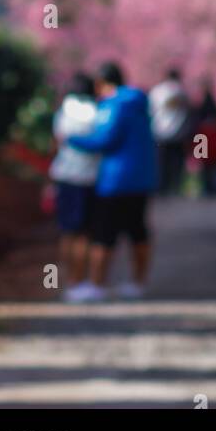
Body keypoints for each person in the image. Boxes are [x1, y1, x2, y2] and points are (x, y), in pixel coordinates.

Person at [66, 61, 158, 302]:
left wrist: (72, 139)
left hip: (116, 179)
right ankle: (139, 282)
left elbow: (104, 140)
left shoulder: (114, 105)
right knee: (138, 231)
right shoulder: (139, 102)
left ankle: (96, 284)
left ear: (102, 83)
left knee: (104, 233)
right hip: (142, 177)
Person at [48, 72, 101, 301]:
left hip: (64, 175)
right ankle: (79, 282)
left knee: (67, 231)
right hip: (89, 178)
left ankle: (63, 281)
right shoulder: (98, 113)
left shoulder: (63, 111)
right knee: (84, 234)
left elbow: (56, 143)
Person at [149, 68, 192, 196]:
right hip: (179, 134)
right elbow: (188, 112)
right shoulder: (182, 92)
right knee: (176, 163)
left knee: (161, 162)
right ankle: (175, 186)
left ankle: (161, 186)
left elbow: (151, 111)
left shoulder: (157, 91)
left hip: (159, 132)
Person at [192, 81, 216, 196]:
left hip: (203, 138)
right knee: (212, 164)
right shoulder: (214, 106)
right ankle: (212, 186)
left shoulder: (202, 106)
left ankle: (206, 187)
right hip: (213, 138)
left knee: (205, 163)